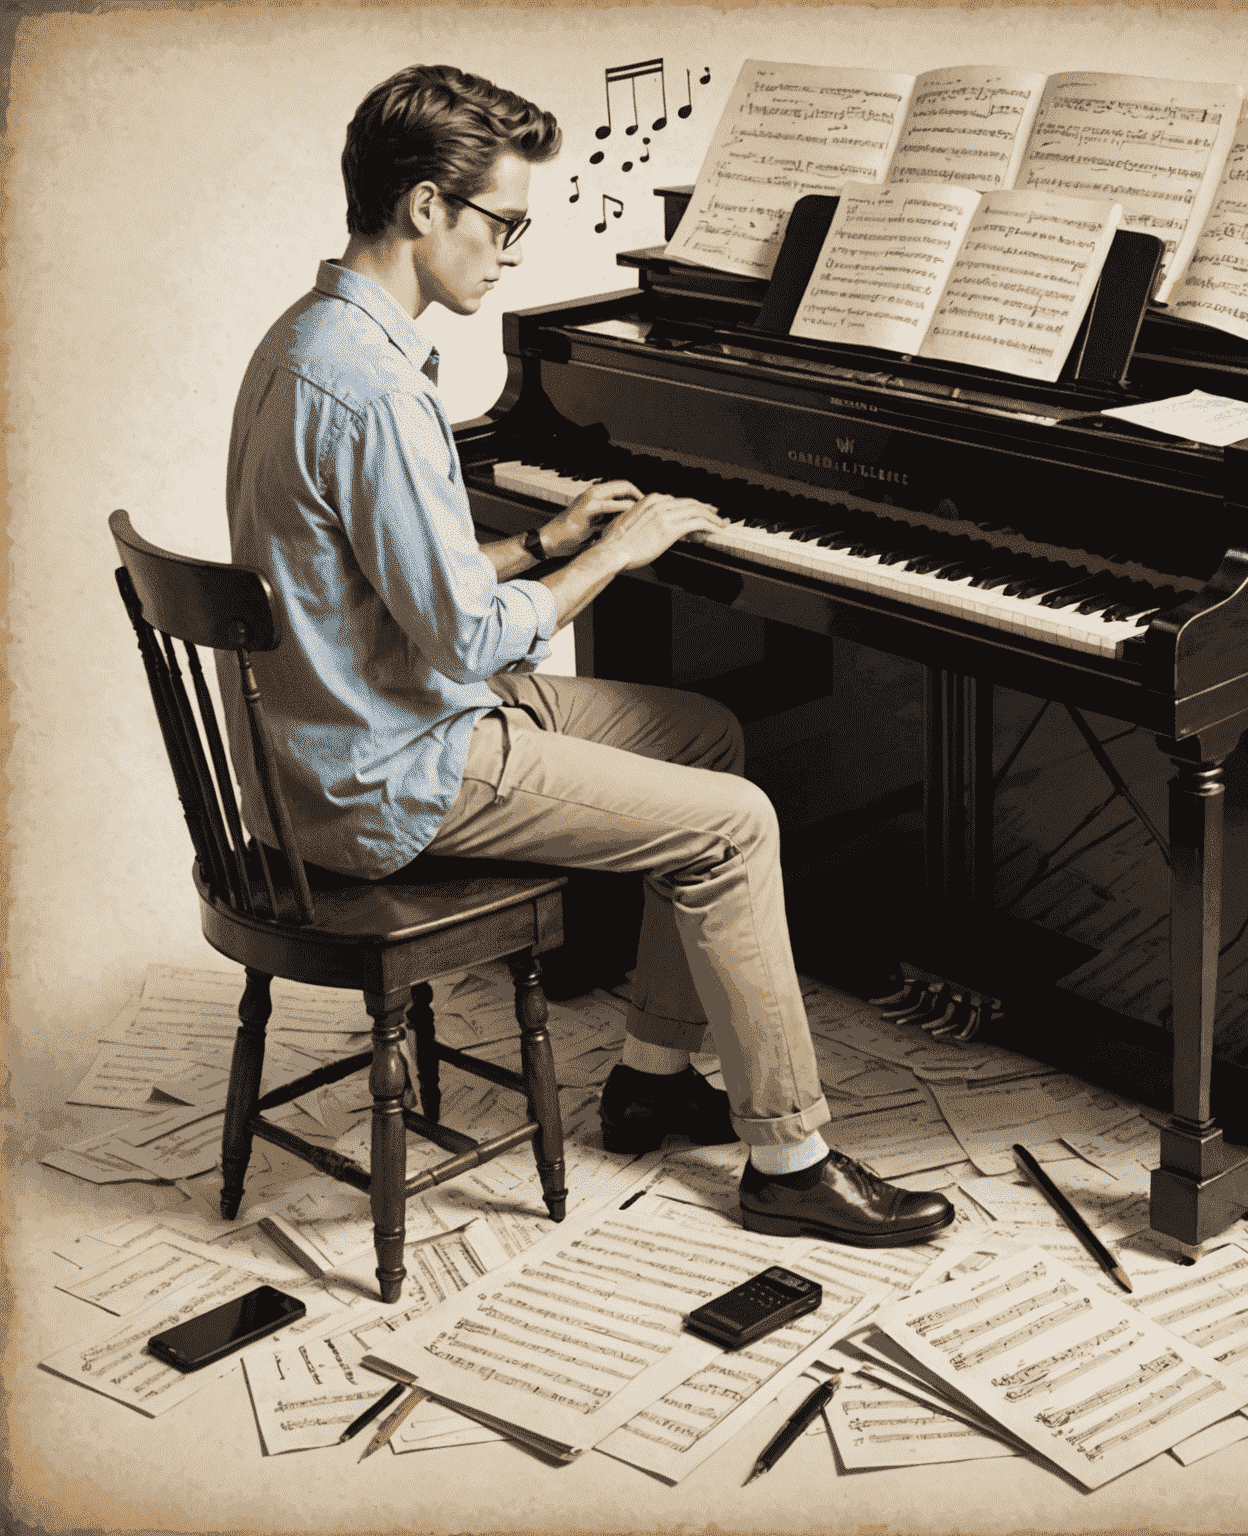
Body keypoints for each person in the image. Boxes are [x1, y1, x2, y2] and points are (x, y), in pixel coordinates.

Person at [218, 63, 953, 1248]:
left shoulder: (305, 339)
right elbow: (460, 636)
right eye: (503, 222)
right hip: (382, 775)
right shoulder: (373, 391)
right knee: (738, 819)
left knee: (706, 732)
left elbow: (391, 580)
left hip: (341, 722)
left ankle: (655, 1071)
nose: (512, 252)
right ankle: (790, 1161)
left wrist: (541, 538)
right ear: (423, 208)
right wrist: (618, 552)